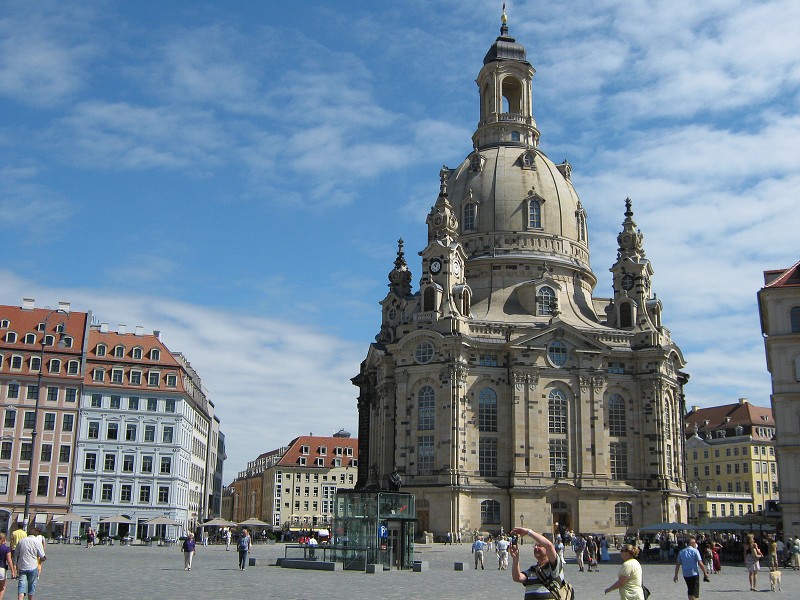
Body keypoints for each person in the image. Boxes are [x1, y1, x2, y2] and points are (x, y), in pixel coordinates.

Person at [509, 527, 564, 599]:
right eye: (535, 545)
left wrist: (528, 532)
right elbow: (517, 577)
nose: (536, 548)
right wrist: (515, 559)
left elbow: (549, 546)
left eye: (539, 546)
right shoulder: (533, 569)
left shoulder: (554, 567)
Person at [674, 535, 709, 600]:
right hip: (694, 573)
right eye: (695, 543)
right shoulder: (695, 551)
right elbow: (700, 563)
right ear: (692, 543)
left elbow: (678, 564)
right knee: (693, 592)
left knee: (690, 590)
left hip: (686, 574)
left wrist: (676, 575)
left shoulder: (681, 552)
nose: (696, 544)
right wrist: (705, 572)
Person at [15, 534, 45, 600]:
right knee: (31, 585)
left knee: (21, 585)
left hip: (22, 566)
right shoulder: (37, 542)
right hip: (33, 566)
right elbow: (42, 555)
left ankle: (20, 599)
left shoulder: (21, 541)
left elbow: (16, 553)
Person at [0, 533, 16, 600]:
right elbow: (9, 560)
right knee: (2, 588)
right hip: (2, 569)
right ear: (4, 540)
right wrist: (13, 571)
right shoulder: (6, 549)